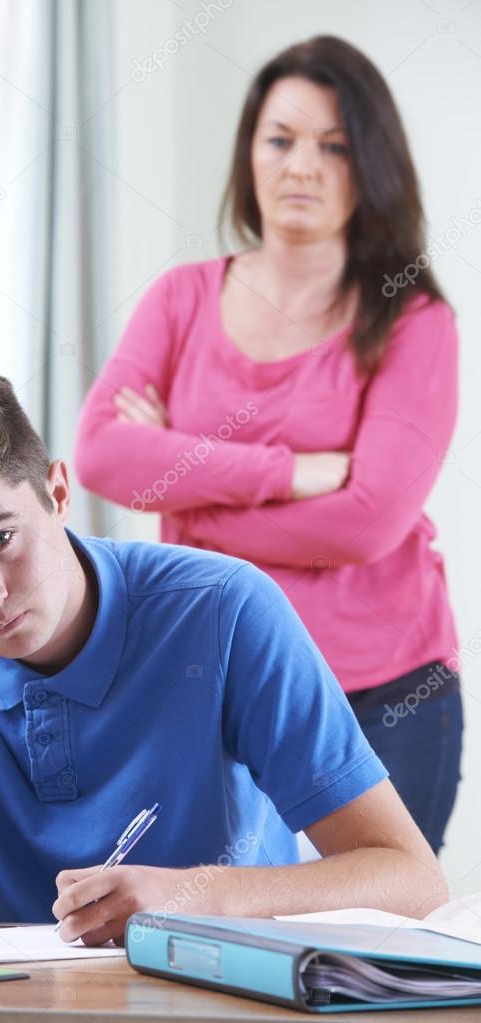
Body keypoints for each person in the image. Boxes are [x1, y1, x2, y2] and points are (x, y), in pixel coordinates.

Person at [0, 365, 444, 940]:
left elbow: (411, 881)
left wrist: (193, 896)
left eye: (1, 537)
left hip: (208, 989)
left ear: (58, 494)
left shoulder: (224, 609)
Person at [74, 35, 462, 856]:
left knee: (369, 954)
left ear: (372, 166)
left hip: (384, 692)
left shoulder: (414, 319)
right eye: (279, 139)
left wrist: (184, 488)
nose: (301, 166)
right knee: (216, 944)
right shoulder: (183, 298)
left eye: (334, 146)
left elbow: (367, 522)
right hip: (218, 683)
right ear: (250, 151)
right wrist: (290, 473)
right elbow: (103, 456)